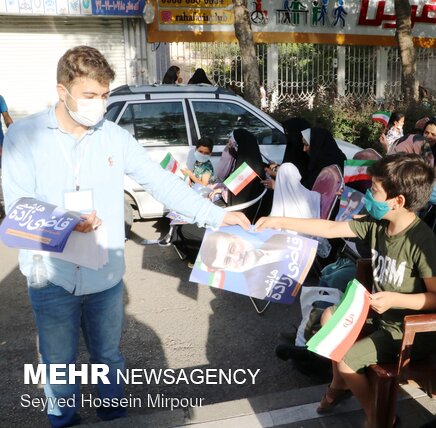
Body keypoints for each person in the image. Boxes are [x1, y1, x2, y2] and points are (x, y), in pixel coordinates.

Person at [0, 46, 249, 427]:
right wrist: (63, 221)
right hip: (51, 276)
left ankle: (114, 418)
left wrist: (217, 215)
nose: (98, 106)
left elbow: (162, 182)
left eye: (103, 96)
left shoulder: (114, 138)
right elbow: (18, 208)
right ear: (62, 92)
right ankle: (63, 420)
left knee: (109, 358)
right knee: (58, 363)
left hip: (105, 275)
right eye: (89, 96)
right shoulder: (23, 136)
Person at [256, 154, 436, 425]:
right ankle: (340, 384)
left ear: (398, 201)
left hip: (409, 330)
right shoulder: (378, 224)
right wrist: (281, 222)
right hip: (380, 315)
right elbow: (332, 227)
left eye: (375, 190)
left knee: (347, 360)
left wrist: (395, 298)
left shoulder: (421, 242)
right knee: (328, 318)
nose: (368, 194)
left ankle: (379, 418)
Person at [265, 117, 311, 182]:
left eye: (289, 131)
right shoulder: (292, 146)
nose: (287, 135)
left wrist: (274, 174)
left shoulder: (305, 154)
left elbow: (297, 179)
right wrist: (276, 167)